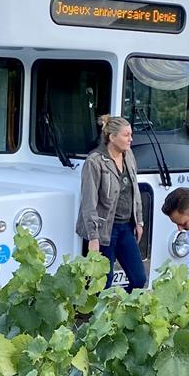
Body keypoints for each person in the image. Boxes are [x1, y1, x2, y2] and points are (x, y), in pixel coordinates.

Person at [77, 115, 146, 290]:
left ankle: (120, 309)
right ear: (112, 137)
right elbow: (88, 201)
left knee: (139, 279)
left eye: (131, 134)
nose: (131, 139)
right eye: (126, 135)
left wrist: (139, 220)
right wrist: (93, 237)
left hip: (126, 227)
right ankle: (100, 315)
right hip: (104, 231)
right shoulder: (94, 161)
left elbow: (134, 189)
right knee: (103, 283)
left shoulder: (129, 155)